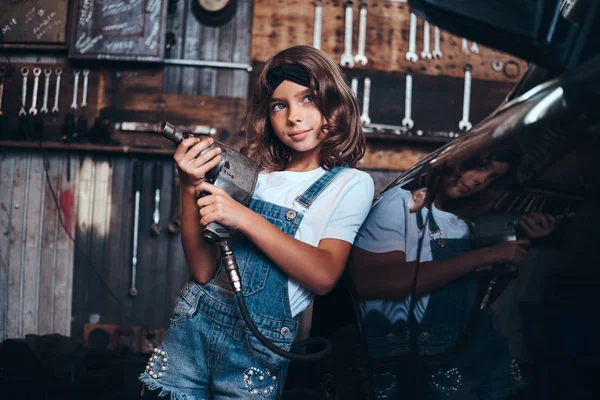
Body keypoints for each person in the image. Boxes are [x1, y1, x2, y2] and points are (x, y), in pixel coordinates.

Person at [140, 45, 374, 399]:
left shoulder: (350, 184)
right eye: (280, 105)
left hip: (256, 345)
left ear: (335, 104)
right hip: (194, 327)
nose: (294, 116)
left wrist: (244, 217)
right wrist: (188, 186)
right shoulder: (255, 175)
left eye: (308, 99)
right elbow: (204, 273)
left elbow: (324, 276)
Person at [348, 149, 556, 400]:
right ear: (455, 159)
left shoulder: (460, 225)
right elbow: (374, 282)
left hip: (471, 351)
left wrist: (512, 255)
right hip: (420, 359)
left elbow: (476, 303)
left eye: (490, 177)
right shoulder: (403, 203)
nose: (480, 179)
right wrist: (488, 255)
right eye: (481, 166)